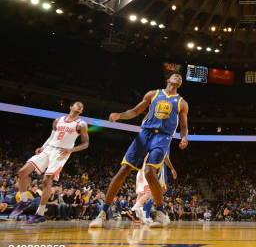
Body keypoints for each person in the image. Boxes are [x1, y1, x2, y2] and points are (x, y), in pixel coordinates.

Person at [89, 73, 189, 229]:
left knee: (150, 172)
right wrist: (119, 115)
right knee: (124, 170)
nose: (178, 77)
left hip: (163, 137)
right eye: (174, 75)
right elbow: (135, 111)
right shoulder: (153, 94)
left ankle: (161, 213)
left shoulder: (182, 103)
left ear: (180, 84)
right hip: (145, 134)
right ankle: (102, 213)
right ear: (168, 80)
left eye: (180, 77)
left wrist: (184, 138)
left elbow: (183, 126)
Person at [10, 101, 89, 223]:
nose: (79, 106)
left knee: (46, 181)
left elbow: (85, 144)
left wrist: (71, 150)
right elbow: (52, 136)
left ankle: (40, 214)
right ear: (71, 107)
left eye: (81, 106)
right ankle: (24, 201)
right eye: (77, 104)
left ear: (81, 111)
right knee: (22, 172)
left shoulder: (81, 124)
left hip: (61, 153)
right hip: (48, 149)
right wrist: (42, 147)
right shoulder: (58, 120)